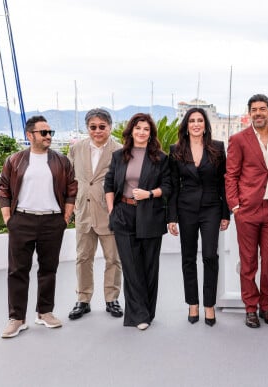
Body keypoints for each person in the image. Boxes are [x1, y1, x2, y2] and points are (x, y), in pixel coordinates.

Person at [0, 115, 77, 338]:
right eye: (44, 133)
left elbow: (72, 188)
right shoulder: (15, 160)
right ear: (29, 135)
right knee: (17, 270)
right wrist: (8, 219)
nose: (49, 136)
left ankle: (44, 312)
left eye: (50, 132)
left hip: (52, 221)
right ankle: (17, 318)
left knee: (48, 269)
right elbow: (3, 188)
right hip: (22, 220)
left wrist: (65, 218)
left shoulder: (61, 161)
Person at [104, 113, 171, 330]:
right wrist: (113, 211)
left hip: (150, 214)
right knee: (131, 267)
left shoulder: (160, 158)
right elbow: (109, 185)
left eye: (146, 129)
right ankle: (138, 314)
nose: (142, 132)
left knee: (149, 266)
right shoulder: (118, 156)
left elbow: (168, 187)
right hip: (124, 214)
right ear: (131, 130)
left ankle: (148, 311)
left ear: (151, 134)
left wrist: (150, 193)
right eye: (138, 128)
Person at [225, 94, 268, 328]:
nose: (258, 113)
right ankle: (250, 308)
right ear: (249, 113)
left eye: (262, 109)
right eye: (254, 109)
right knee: (248, 262)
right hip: (248, 209)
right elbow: (231, 174)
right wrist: (235, 206)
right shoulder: (238, 139)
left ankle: (267, 307)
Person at [167, 107, 231, 327]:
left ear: (205, 125)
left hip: (212, 208)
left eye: (200, 121)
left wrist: (226, 213)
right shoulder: (175, 150)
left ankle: (209, 305)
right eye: (192, 120)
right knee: (188, 257)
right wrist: (172, 216)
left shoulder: (217, 148)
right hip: (185, 209)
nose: (196, 124)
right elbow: (174, 185)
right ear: (186, 125)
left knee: (210, 256)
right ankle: (193, 303)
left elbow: (224, 182)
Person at [67, 108, 123, 321]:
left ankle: (112, 298)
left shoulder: (119, 150)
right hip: (83, 214)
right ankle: (83, 299)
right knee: (83, 258)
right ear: (87, 128)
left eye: (102, 127)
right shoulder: (76, 149)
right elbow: (71, 181)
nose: (97, 131)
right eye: (93, 127)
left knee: (113, 259)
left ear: (109, 127)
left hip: (109, 214)